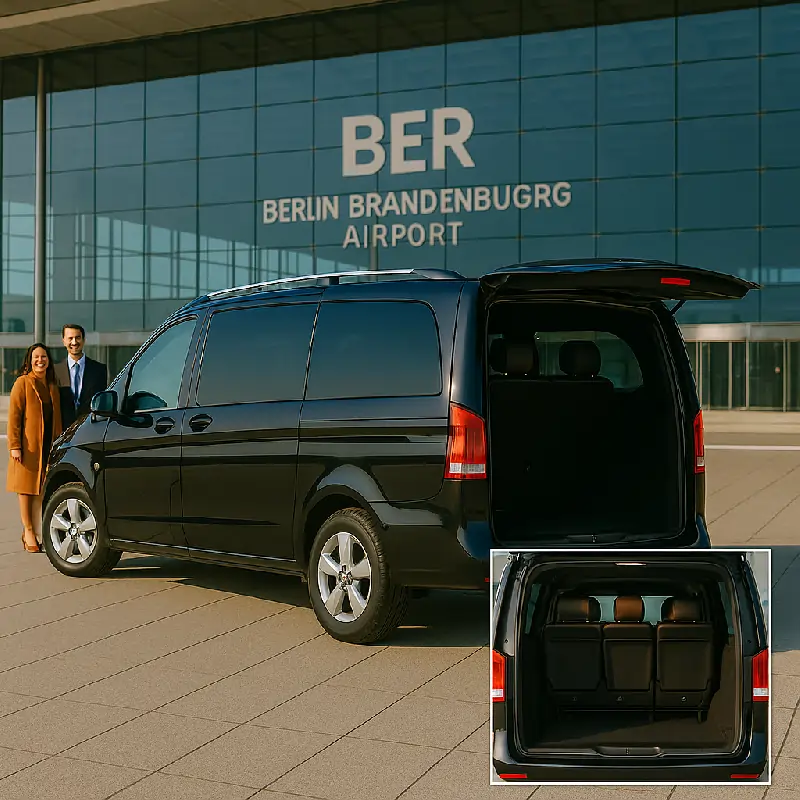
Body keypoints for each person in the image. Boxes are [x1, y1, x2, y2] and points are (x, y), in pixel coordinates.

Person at [7, 343, 63, 553]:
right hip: (28, 448)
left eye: (44, 357)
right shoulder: (22, 383)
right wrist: (14, 446)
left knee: (40, 490)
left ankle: (35, 529)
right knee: (25, 490)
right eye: (36, 357)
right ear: (29, 360)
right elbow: (14, 417)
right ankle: (28, 530)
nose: (40, 360)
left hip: (48, 446)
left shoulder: (52, 387)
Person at [54, 324, 109, 428]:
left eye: (78, 338)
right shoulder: (55, 371)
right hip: (63, 433)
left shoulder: (99, 370)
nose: (74, 342)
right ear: (64, 341)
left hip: (90, 430)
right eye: (70, 338)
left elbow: (102, 404)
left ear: (83, 340)